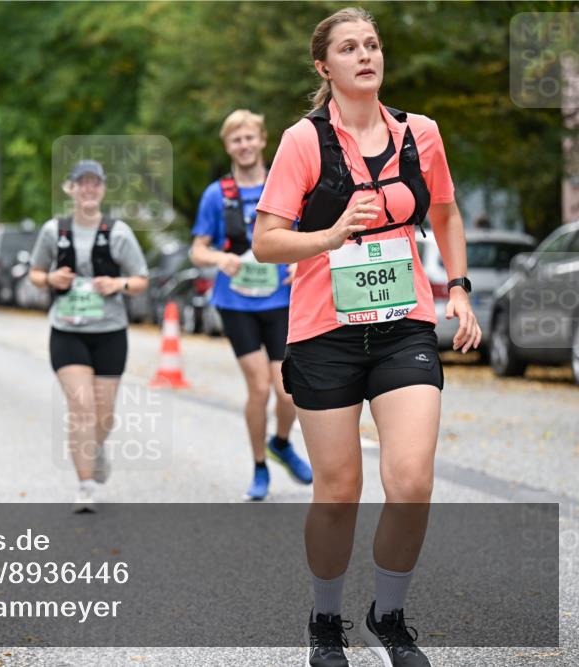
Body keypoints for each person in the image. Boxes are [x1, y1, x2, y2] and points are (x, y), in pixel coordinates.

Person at [252, 8, 481, 667]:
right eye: (349, 47)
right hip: (323, 329)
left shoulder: (420, 133)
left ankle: (390, 614)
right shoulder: (303, 141)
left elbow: (443, 209)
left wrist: (457, 286)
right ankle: (326, 621)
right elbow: (267, 240)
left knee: (410, 478)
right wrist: (328, 235)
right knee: (338, 489)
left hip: (402, 324)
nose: (366, 55)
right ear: (325, 67)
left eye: (373, 44)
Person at [190, 109, 312, 501]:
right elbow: (197, 250)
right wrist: (217, 260)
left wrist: (299, 261)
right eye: (235, 140)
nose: (243, 146)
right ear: (228, 146)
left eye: (249, 138)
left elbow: (308, 236)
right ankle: (259, 467)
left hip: (280, 300)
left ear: (262, 141)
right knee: (259, 388)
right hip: (236, 303)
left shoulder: (285, 184)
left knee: (288, 390)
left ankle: (281, 443)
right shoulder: (216, 194)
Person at [28, 160, 149, 513]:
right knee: (80, 407)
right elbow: (35, 273)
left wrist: (118, 284)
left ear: (103, 188)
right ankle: (84, 486)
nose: (88, 189)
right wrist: (50, 280)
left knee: (104, 415)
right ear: (71, 189)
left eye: (95, 183)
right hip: (67, 331)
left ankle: (95, 450)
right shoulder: (54, 231)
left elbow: (140, 279)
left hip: (110, 332)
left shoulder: (119, 232)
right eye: (82, 183)